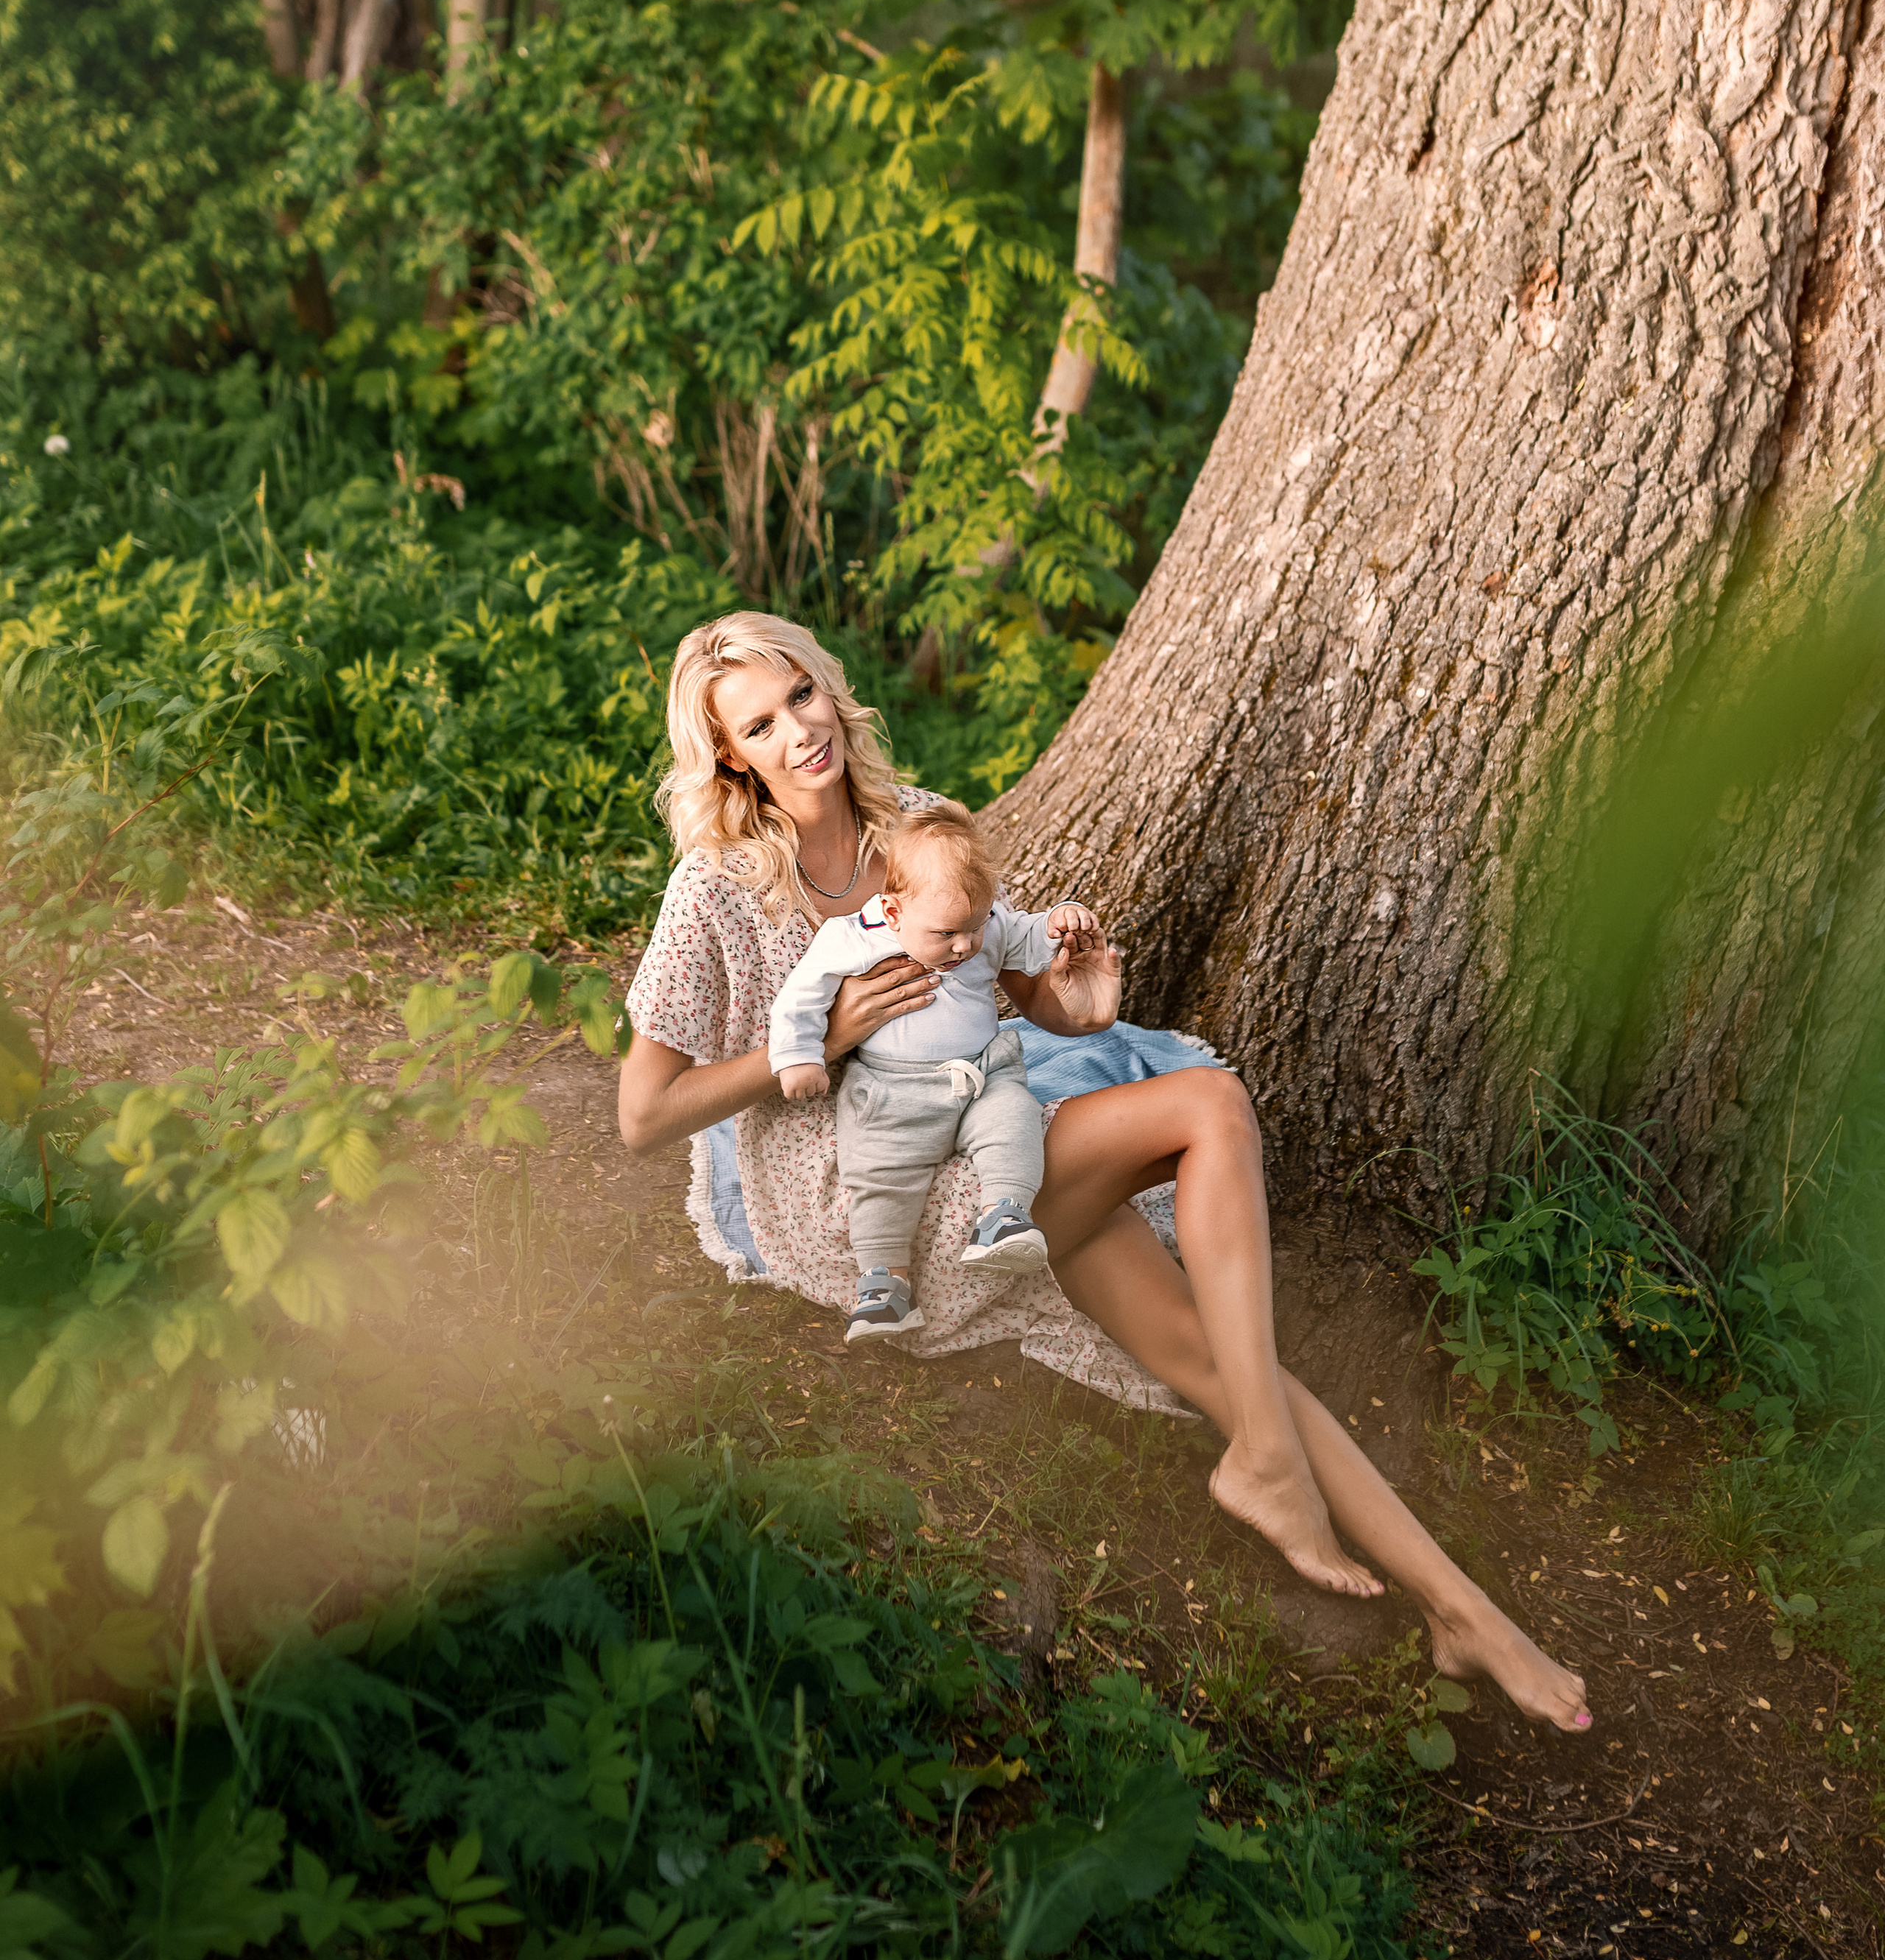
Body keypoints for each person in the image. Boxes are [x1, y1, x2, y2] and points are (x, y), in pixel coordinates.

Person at [618, 608, 1592, 1735]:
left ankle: (1461, 1607)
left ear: (829, 691)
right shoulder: (717, 890)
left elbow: (1006, 983)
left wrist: (1071, 1000)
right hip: (860, 1201)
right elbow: (646, 1115)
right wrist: (819, 1038)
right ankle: (1272, 1470)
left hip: (988, 1148)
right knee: (1210, 1102)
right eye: (760, 722)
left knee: (1235, 1365)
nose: (798, 730)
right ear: (729, 752)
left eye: (802, 696)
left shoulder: (911, 830)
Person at [769, 798, 1108, 1342]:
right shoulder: (853, 935)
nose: (964, 946)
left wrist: (1062, 918)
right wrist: (799, 1056)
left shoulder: (982, 925)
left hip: (979, 1075)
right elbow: (800, 998)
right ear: (894, 911)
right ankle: (885, 1285)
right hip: (891, 1090)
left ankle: (1005, 1213)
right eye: (947, 933)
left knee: (1014, 1115)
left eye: (974, 928)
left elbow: (1025, 934)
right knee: (879, 1173)